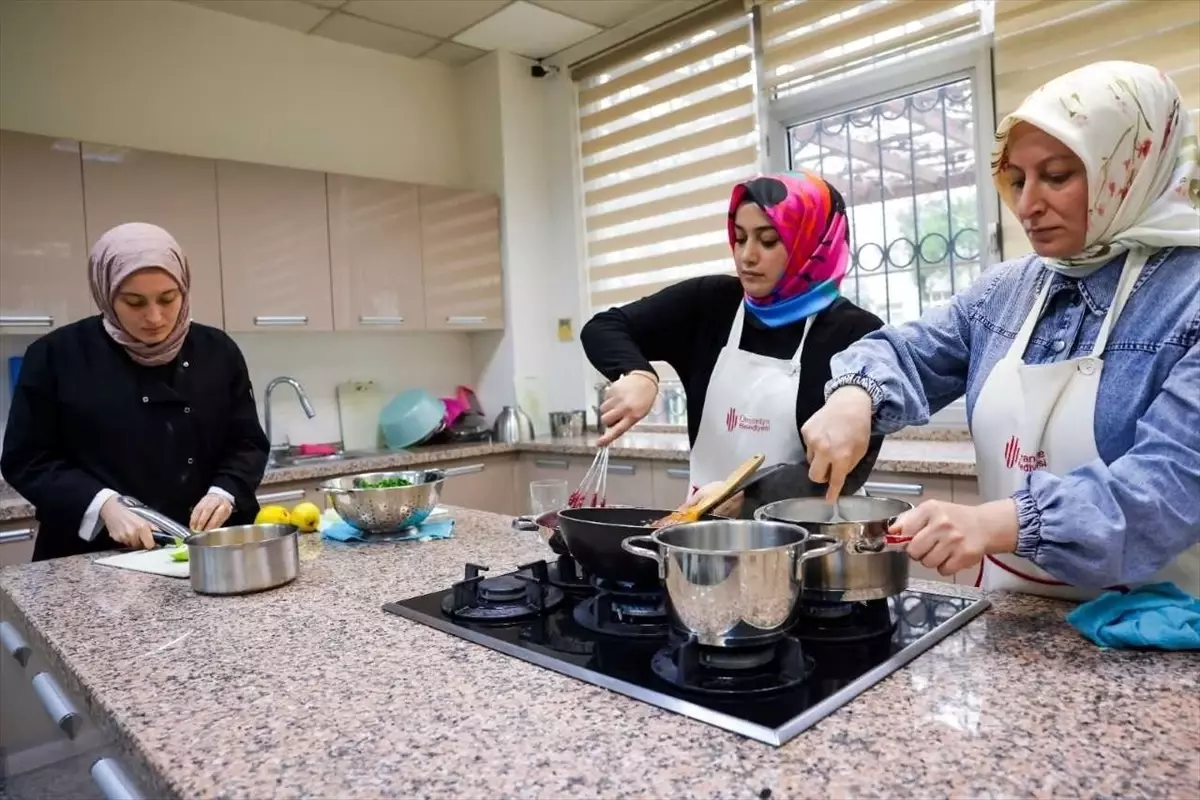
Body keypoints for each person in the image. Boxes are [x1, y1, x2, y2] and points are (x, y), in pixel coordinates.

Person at [802, 61, 1200, 598]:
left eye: (1057, 176)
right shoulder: (1007, 291)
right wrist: (855, 395)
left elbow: (1169, 487)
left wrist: (995, 523)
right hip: (1010, 618)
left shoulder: (1187, 298)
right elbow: (907, 352)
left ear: (1130, 166)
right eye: (1016, 179)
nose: (1027, 205)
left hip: (1156, 632)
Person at [581, 171, 885, 517]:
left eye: (768, 240)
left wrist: (747, 495)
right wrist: (638, 374)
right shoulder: (710, 305)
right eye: (740, 239)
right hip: (704, 538)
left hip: (807, 543)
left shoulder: (857, 335)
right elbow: (604, 326)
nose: (746, 256)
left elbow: (844, 468)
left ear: (813, 244)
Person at [1, 222, 270, 561]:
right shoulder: (56, 356)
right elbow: (27, 460)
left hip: (208, 552)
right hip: (90, 558)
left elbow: (247, 443)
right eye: (134, 302)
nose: (155, 317)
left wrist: (226, 491)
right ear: (105, 294)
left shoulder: (218, 350)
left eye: (168, 298)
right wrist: (102, 505)